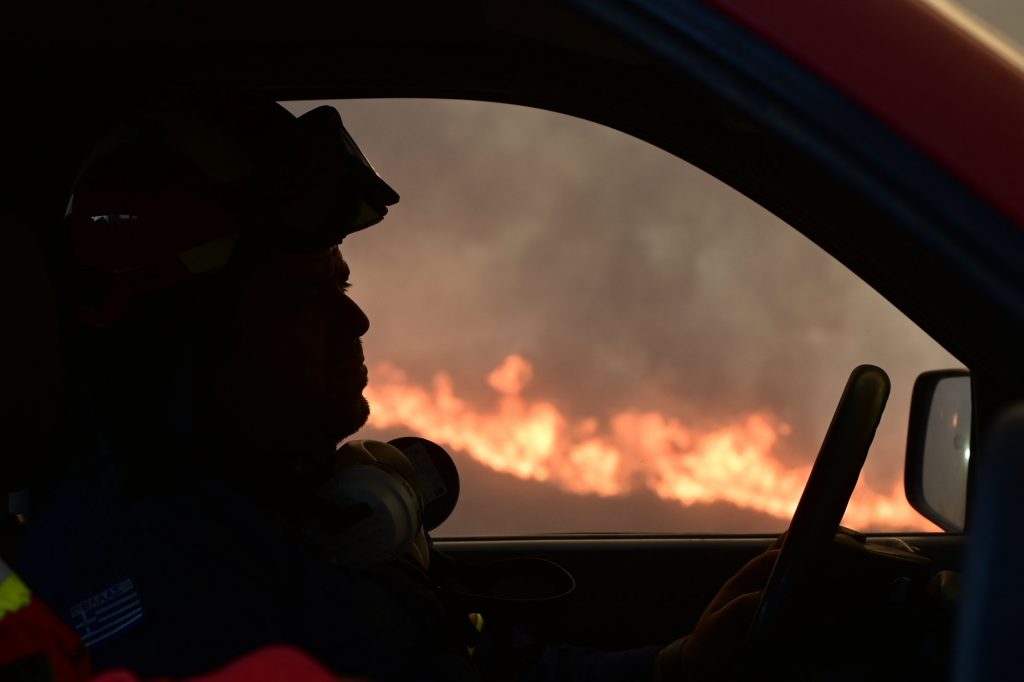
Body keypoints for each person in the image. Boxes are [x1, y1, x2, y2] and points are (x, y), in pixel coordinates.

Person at [16, 90, 777, 681]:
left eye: (340, 285)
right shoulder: (153, 579)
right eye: (306, 301)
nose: (357, 321)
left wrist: (676, 665)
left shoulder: (287, 508)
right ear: (183, 342)